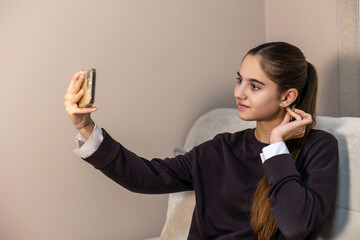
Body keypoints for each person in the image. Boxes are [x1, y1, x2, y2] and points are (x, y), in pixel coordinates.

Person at [64, 42, 339, 240]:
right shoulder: (222, 148)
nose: (239, 93)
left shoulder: (319, 148)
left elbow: (296, 225)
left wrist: (277, 145)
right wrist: (85, 126)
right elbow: (145, 176)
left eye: (254, 86)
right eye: (239, 80)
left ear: (287, 97)